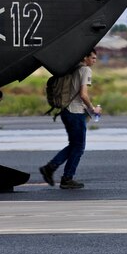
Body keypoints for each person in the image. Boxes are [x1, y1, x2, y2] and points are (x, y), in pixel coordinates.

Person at [39, 50, 101, 190]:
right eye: (93, 58)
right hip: (76, 112)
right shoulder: (85, 70)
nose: (94, 61)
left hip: (66, 111)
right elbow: (83, 94)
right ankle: (66, 178)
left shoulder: (72, 68)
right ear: (85, 57)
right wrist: (93, 109)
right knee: (79, 147)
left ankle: (51, 168)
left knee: (74, 145)